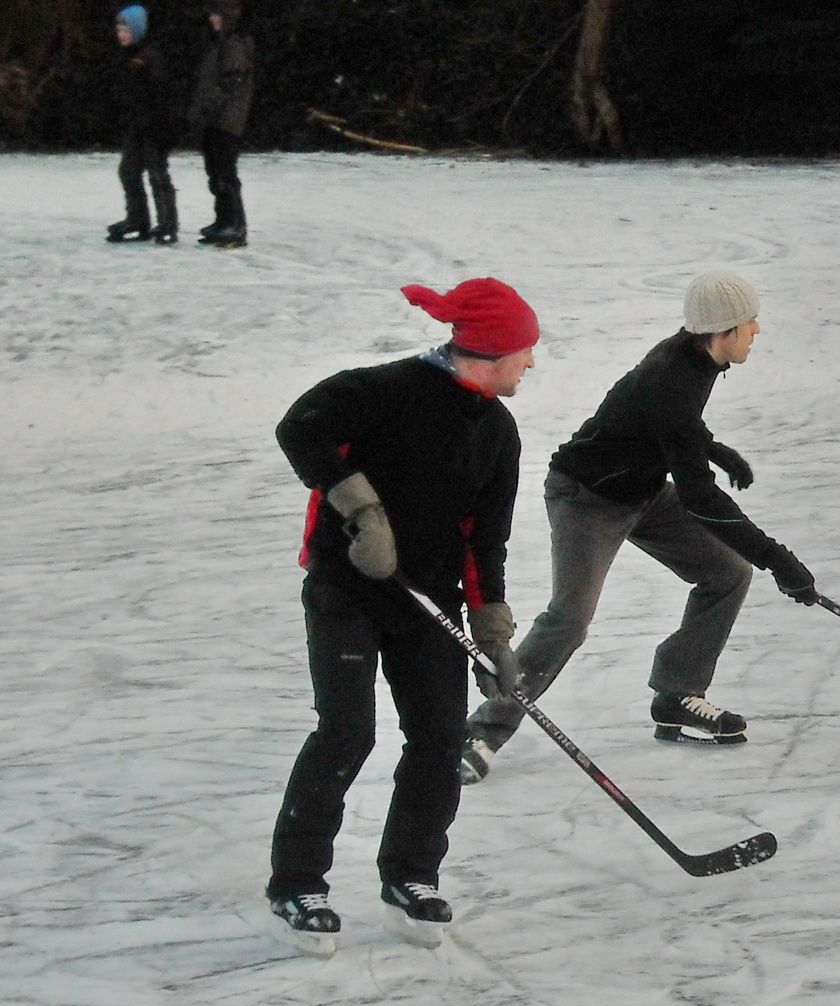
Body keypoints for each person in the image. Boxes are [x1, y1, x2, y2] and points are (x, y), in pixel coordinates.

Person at [459, 270, 816, 785]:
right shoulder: (672, 375)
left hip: (641, 491)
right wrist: (778, 558)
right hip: (587, 498)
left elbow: (663, 420)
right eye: (748, 322)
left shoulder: (694, 358)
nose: (756, 329)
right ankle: (482, 731)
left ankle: (676, 694)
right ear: (723, 329)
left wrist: (711, 448)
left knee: (727, 574)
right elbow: (700, 497)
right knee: (571, 618)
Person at [266, 278, 537, 952]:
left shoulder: (499, 432)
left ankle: (410, 875)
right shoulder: (384, 391)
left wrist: (494, 634)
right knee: (347, 730)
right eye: (525, 351)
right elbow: (299, 427)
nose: (532, 363)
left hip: (427, 600)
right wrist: (361, 508)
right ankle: (297, 883)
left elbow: (485, 541)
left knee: (441, 737)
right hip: (347, 589)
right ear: (493, 351)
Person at [106, 6, 178, 245]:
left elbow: (161, 95)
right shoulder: (127, 57)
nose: (121, 33)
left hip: (154, 129)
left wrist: (160, 127)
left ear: (137, 30)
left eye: (126, 29)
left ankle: (168, 224)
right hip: (136, 128)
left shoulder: (149, 57)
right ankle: (138, 220)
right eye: (119, 29)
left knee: (158, 175)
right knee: (128, 171)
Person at [187, 0, 254, 248]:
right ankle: (223, 220)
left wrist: (208, 107)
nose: (211, 19)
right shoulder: (221, 45)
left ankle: (235, 225)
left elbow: (229, 84)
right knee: (216, 172)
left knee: (225, 173)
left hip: (227, 120)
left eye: (216, 15)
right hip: (217, 119)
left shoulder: (233, 45)